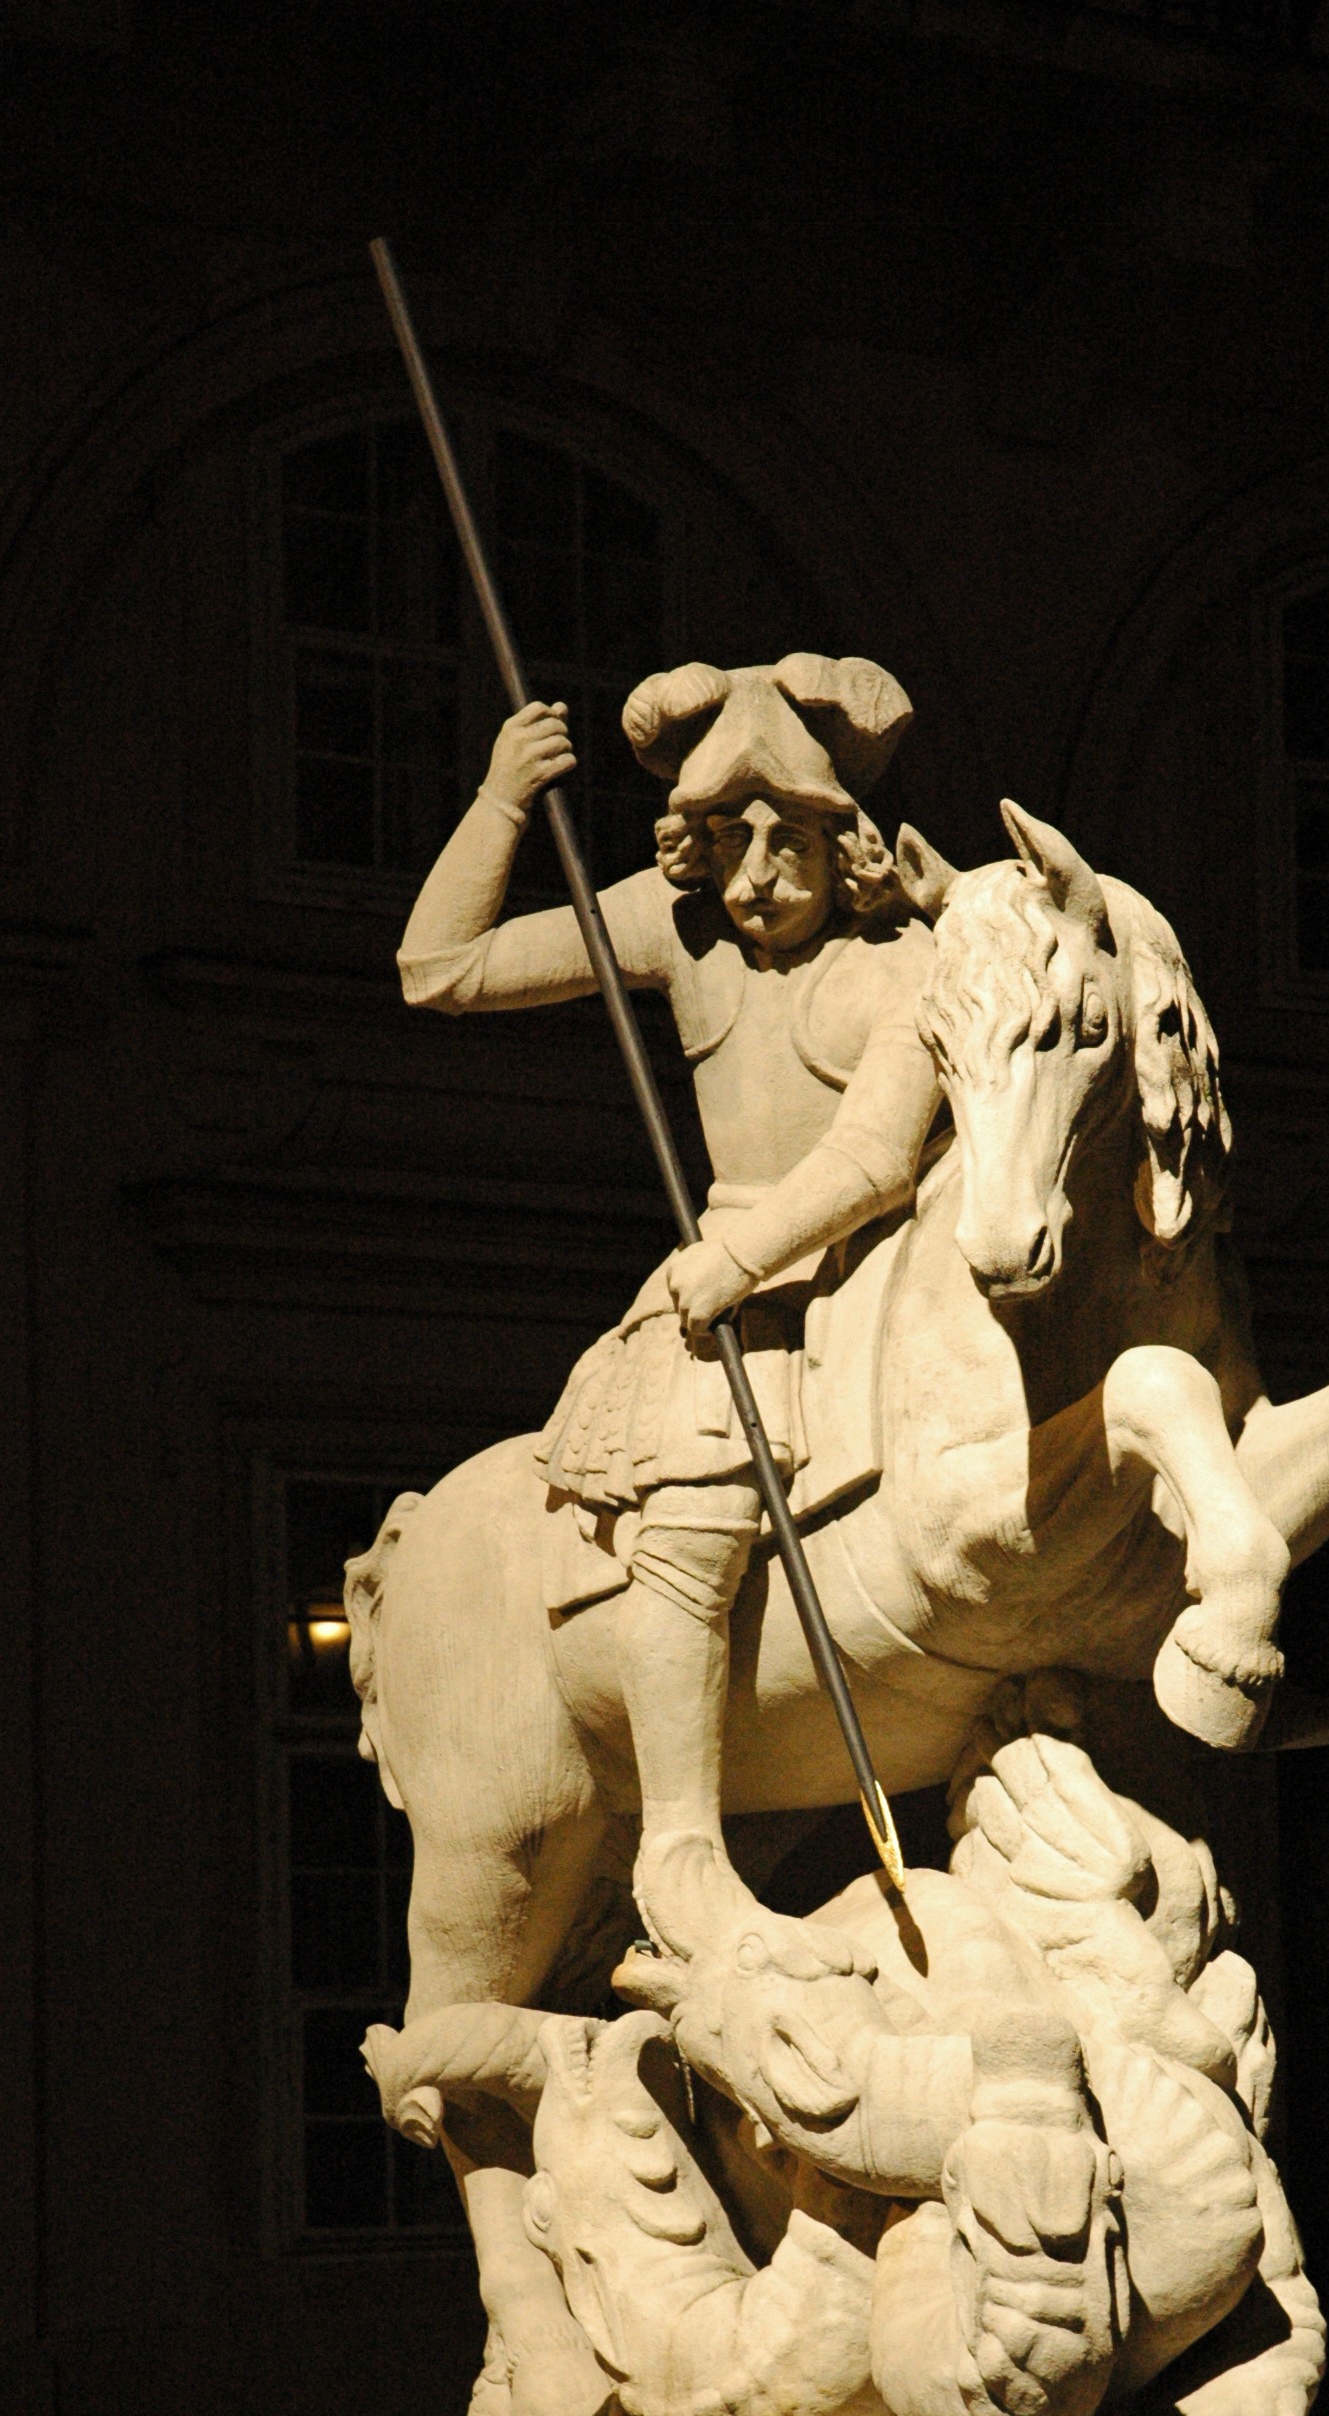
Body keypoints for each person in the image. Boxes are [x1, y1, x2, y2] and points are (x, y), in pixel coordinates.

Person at [398, 655, 944, 1962]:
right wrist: (501, 800)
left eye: (784, 841)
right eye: (726, 843)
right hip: (737, 1302)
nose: (754, 877)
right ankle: (683, 1844)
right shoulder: (679, 928)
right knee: (690, 1519)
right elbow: (439, 967)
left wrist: (743, 1251)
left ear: (841, 838)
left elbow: (875, 1157)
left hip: (884, 1262)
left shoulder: (910, 961)